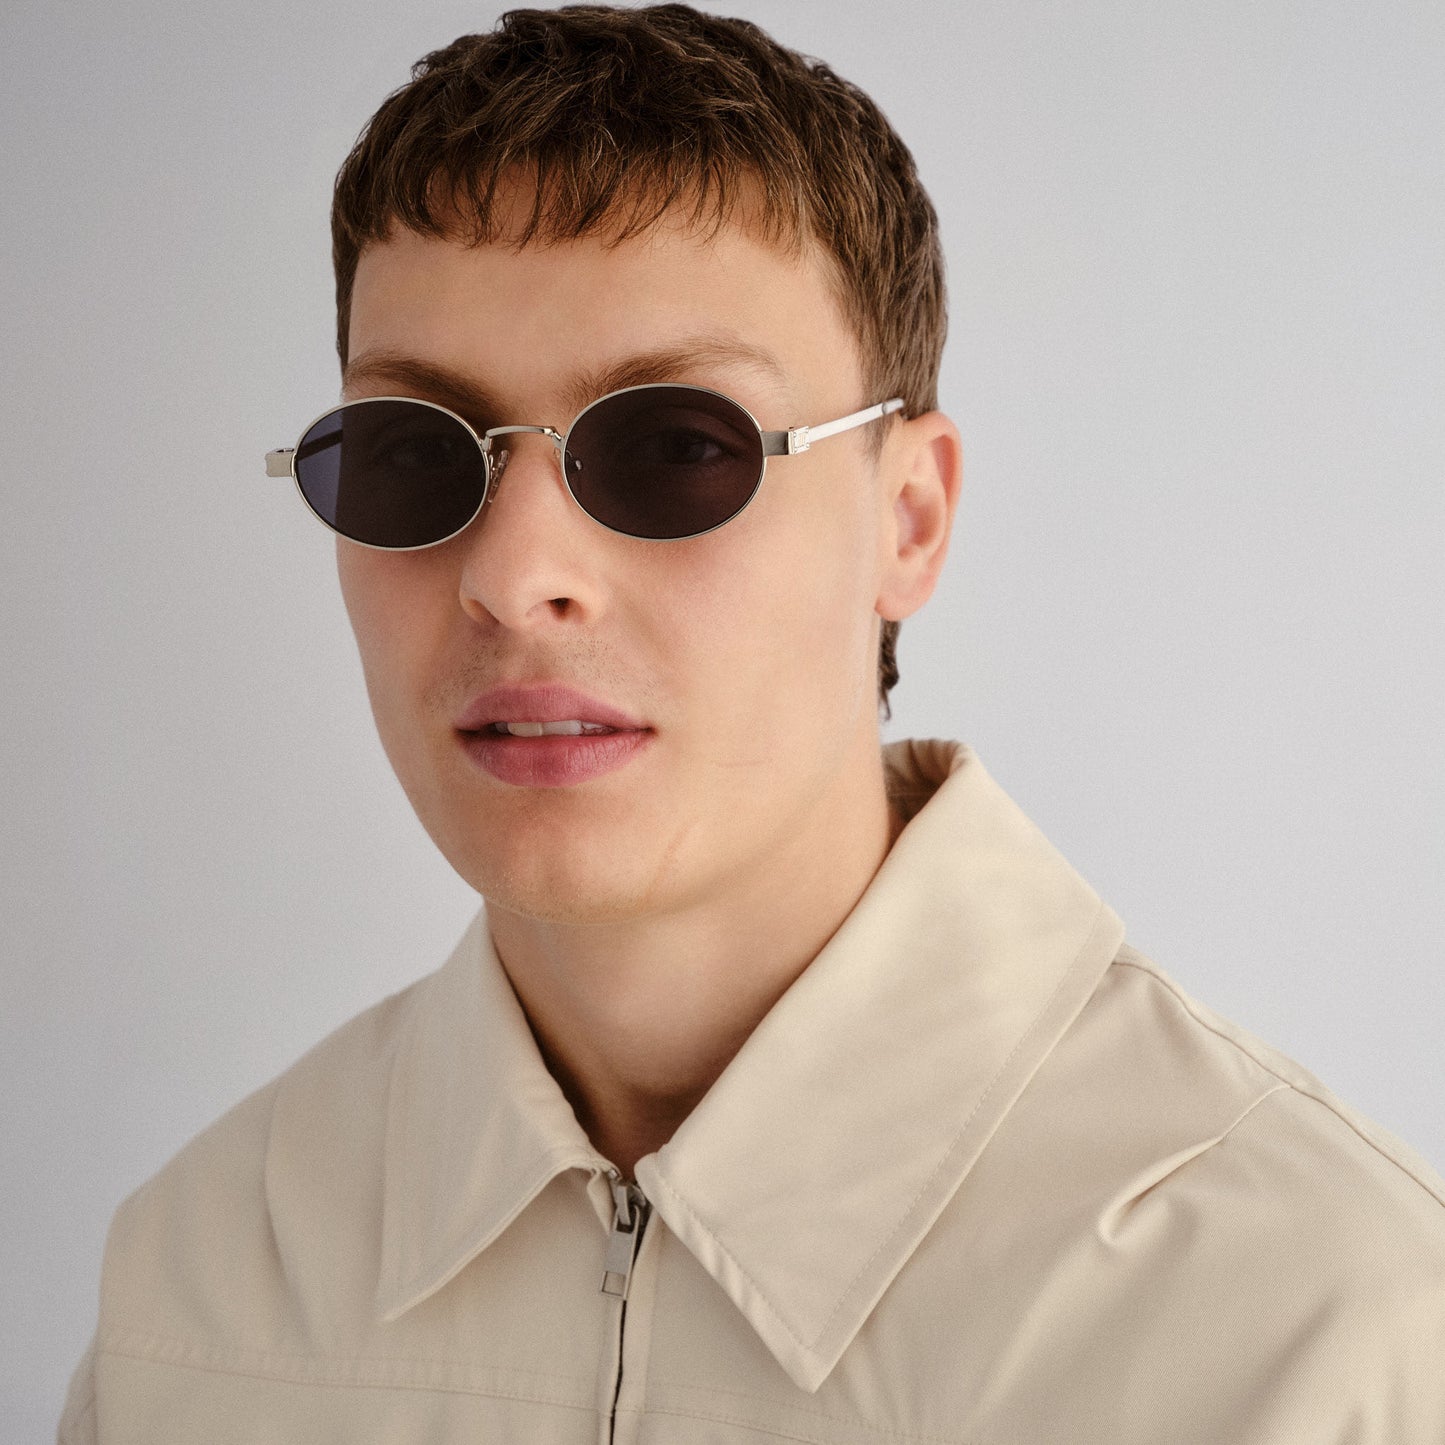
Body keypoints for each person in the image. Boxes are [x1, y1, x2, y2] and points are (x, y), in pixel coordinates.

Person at [59, 5, 1445, 1441]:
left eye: (675, 448)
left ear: (907, 518)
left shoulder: (1316, 1337)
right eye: (415, 454)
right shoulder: (199, 1290)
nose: (514, 577)